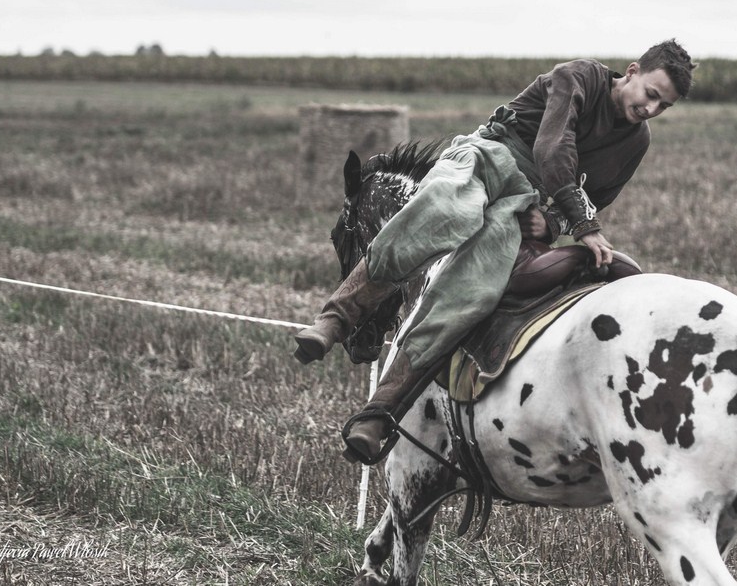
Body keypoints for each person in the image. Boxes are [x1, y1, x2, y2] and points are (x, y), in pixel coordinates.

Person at [295, 39, 696, 464]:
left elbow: (600, 192)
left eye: (663, 107)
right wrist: (584, 227)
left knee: (472, 294)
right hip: (488, 157)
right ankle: (334, 319)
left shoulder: (637, 141)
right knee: (439, 213)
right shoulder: (578, 77)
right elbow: (553, 148)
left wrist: (555, 223)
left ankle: (378, 415)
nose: (652, 109)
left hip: (522, 201)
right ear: (632, 71)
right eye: (652, 95)